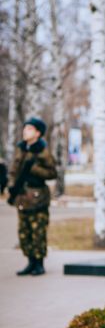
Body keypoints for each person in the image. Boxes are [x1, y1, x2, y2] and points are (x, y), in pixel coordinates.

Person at [7, 117, 58, 276]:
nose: (25, 131)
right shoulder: (21, 149)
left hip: (38, 197)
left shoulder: (42, 151)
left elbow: (52, 173)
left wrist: (35, 169)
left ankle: (39, 263)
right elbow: (14, 170)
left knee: (38, 232)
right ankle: (30, 262)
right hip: (22, 197)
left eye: (29, 129)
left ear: (37, 133)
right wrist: (11, 185)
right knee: (24, 232)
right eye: (25, 128)